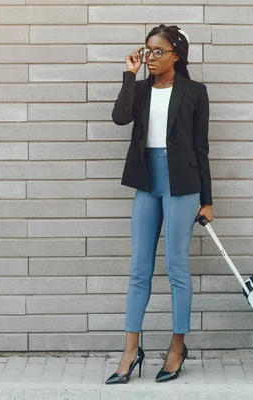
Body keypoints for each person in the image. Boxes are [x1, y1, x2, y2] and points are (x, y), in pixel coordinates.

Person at [105, 24, 213, 384]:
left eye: (158, 52)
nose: (150, 57)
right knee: (139, 267)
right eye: (147, 50)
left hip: (183, 185)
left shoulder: (195, 92)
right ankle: (131, 350)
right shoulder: (139, 88)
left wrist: (207, 200)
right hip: (147, 180)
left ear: (176, 56)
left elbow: (201, 147)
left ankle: (177, 347)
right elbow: (120, 117)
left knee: (177, 267)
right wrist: (128, 73)